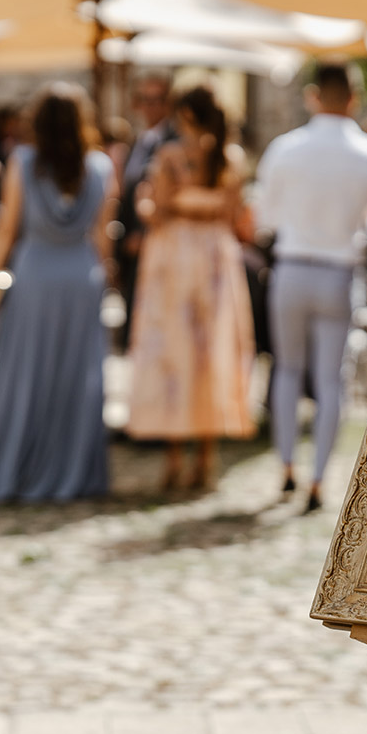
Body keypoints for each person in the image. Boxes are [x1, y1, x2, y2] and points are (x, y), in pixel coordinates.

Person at [253, 63, 367, 512]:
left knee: (285, 368)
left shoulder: (285, 149)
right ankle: (318, 479)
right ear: (354, 99)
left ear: (312, 96)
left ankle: (286, 467)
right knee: (330, 379)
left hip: (291, 269)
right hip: (339, 272)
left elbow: (265, 219)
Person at [0, 83, 115, 502]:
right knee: (76, 377)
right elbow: (103, 235)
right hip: (81, 275)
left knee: (25, 375)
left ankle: (18, 466)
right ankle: (73, 471)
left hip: (35, 275)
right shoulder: (101, 166)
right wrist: (105, 278)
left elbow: (6, 227)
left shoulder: (23, 161)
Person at [127, 85, 256, 490]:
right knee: (211, 354)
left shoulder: (171, 156)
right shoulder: (231, 158)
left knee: (174, 351)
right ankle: (205, 458)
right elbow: (235, 214)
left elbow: (159, 210)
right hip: (216, 257)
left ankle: (174, 460)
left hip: (177, 256)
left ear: (185, 115)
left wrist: (142, 202)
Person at [116, 74, 174, 347]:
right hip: (131, 239)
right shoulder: (138, 141)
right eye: (145, 100)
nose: (150, 107)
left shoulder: (173, 142)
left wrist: (144, 230)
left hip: (155, 236)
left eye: (156, 100)